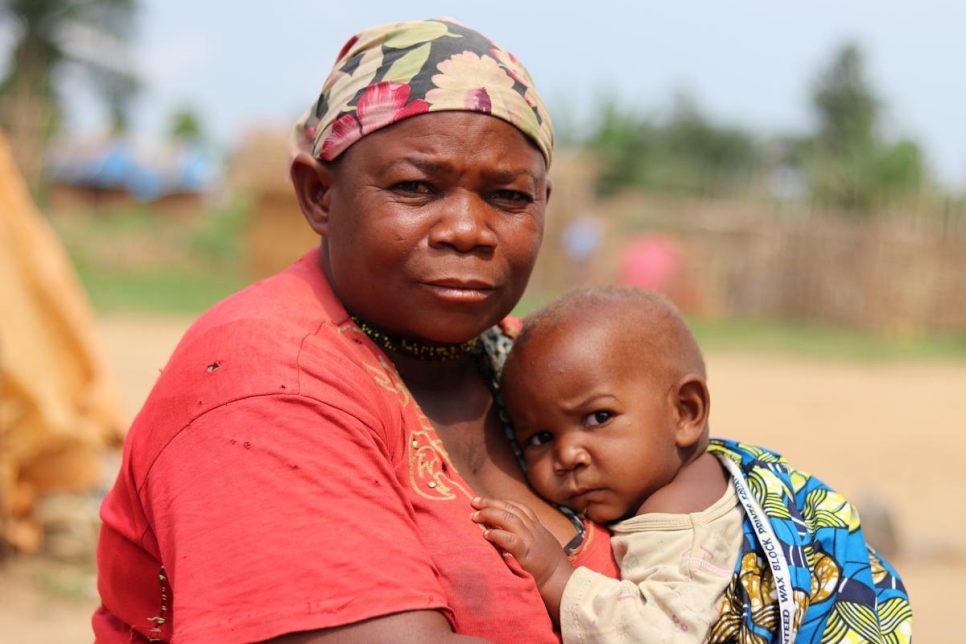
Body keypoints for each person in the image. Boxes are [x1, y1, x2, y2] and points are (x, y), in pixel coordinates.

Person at [92, 17, 620, 644]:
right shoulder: (266, 382)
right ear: (318, 194)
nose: (468, 230)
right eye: (416, 187)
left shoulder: (536, 362)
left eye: (508, 197)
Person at [471, 286, 913, 644]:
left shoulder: (677, 517)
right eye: (540, 438)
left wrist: (555, 576)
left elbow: (656, 635)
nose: (568, 455)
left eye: (599, 417)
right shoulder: (717, 474)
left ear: (685, 412)